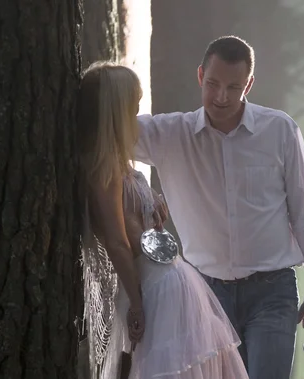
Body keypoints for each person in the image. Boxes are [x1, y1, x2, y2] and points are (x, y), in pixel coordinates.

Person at [134, 36, 304, 378]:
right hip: (204, 294)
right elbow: (108, 134)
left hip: (272, 291)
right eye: (212, 84)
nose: (221, 97)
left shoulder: (279, 130)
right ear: (200, 76)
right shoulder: (170, 135)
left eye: (233, 86)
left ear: (249, 84)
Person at [77, 61, 249, 379]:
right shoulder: (105, 170)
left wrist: (149, 204)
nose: (136, 117)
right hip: (154, 287)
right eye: (132, 108)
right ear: (115, 112)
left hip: (169, 281)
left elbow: (130, 227)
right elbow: (117, 242)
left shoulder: (117, 163)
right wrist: (138, 304)